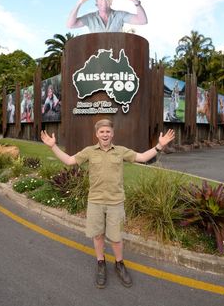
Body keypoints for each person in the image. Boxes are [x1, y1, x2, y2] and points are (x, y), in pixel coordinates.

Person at [41, 119, 175, 289]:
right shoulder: (89, 151)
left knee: (116, 238)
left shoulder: (120, 151)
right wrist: (53, 146)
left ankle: (119, 264)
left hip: (115, 202)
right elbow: (69, 160)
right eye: (102, 132)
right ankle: (101, 263)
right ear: (96, 134)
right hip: (95, 201)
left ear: (112, 134)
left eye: (108, 132)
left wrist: (159, 146)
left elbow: (141, 157)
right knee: (98, 235)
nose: (105, 134)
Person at [66, 0, 148, 33]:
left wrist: (136, 2)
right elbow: (70, 25)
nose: (104, 2)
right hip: (97, 59)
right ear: (96, 3)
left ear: (111, 2)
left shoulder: (120, 15)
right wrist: (79, 3)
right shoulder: (90, 18)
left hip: (115, 57)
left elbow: (142, 20)